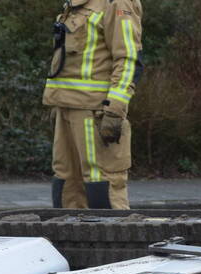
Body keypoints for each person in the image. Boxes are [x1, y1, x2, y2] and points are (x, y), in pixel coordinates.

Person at [43, 0, 144, 209]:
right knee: (66, 181)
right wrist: (57, 103)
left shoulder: (116, 2)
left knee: (101, 182)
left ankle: (112, 240)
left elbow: (128, 59)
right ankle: (70, 239)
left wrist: (115, 109)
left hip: (95, 112)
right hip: (67, 105)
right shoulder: (78, 3)